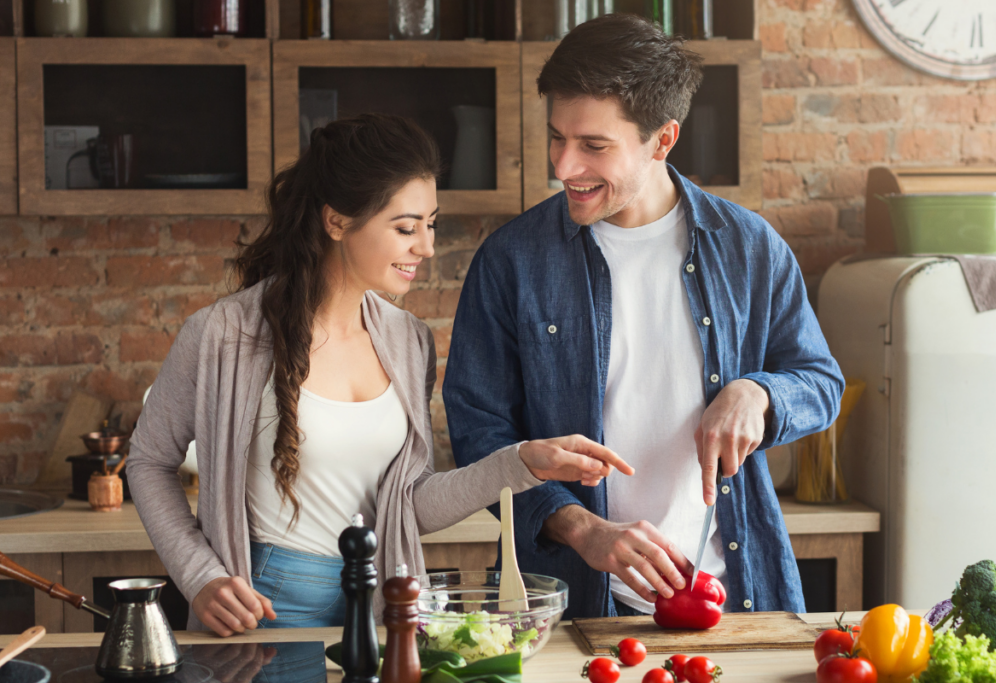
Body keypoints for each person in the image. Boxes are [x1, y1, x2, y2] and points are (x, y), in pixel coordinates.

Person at [127, 114, 632, 636]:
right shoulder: (222, 334)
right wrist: (200, 576)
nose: (427, 247)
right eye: (406, 227)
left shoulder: (408, 340)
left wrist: (522, 462)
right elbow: (148, 461)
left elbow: (407, 505)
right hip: (266, 607)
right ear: (337, 222)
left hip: (383, 607)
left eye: (430, 224)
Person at [442, 15, 845, 620]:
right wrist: (581, 527)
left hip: (732, 597)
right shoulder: (512, 261)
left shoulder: (750, 248)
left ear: (663, 139)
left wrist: (758, 394)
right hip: (571, 605)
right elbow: (480, 434)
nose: (564, 166)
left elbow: (820, 382)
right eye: (557, 137)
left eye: (594, 147)